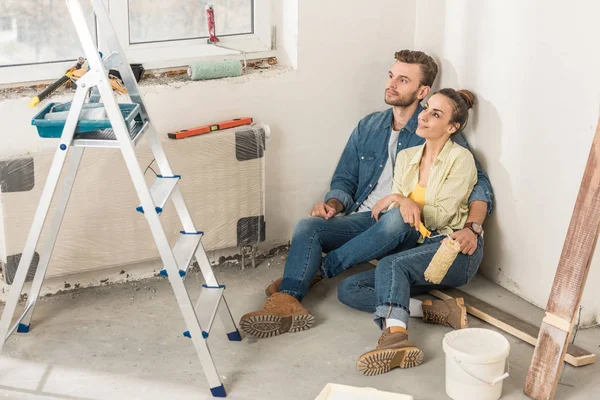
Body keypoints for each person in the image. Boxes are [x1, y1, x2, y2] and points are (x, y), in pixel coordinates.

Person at [238, 50, 493, 340]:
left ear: (422, 91)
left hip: (405, 226)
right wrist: (333, 205)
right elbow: (345, 178)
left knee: (396, 217)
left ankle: (318, 271)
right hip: (367, 217)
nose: (392, 84)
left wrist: (473, 227)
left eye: (403, 80)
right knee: (309, 226)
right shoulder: (368, 126)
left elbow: (479, 186)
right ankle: (288, 300)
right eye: (391, 76)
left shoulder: (434, 130)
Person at [353, 88, 478, 375]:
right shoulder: (407, 156)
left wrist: (400, 199)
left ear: (452, 127)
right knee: (351, 289)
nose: (423, 116)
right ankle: (436, 310)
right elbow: (398, 213)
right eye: (426, 108)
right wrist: (401, 201)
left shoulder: (461, 159)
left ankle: (396, 337)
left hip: (454, 248)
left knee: (390, 265)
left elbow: (439, 217)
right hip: (416, 250)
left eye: (436, 114)